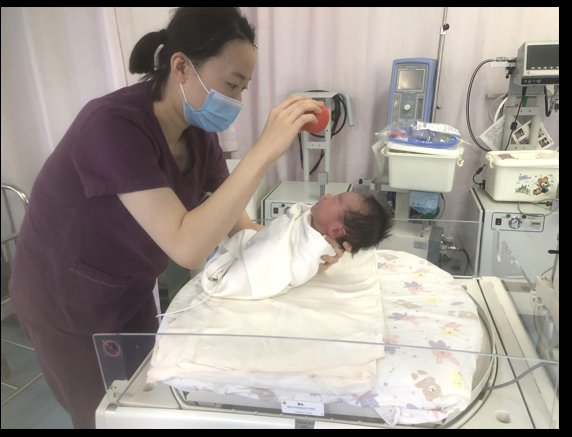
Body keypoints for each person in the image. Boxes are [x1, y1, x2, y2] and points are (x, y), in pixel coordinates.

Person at [8, 7, 350, 429]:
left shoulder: (198, 135)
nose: (237, 101)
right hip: (67, 302)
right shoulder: (111, 126)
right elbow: (187, 247)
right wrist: (264, 150)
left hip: (129, 292)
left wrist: (305, 249)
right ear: (182, 67)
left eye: (243, 88)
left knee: (146, 404)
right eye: (232, 85)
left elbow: (238, 224)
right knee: (104, 417)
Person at [200, 192, 393, 300]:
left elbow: (289, 263)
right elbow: (280, 232)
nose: (328, 195)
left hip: (258, 269)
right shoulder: (311, 222)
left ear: (336, 231)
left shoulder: (316, 247)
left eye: (336, 200)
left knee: (246, 269)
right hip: (255, 244)